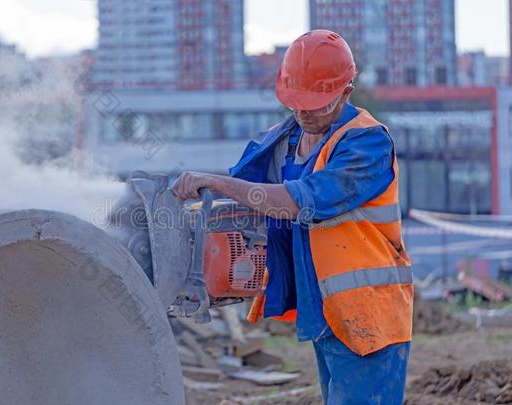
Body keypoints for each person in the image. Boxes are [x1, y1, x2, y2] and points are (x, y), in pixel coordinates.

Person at [172, 29, 413, 404]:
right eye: (295, 101)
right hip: (326, 312)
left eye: (314, 103)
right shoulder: (285, 140)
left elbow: (301, 202)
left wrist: (216, 183)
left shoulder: (367, 143)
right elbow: (246, 202)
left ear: (345, 91)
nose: (302, 111)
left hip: (368, 314)